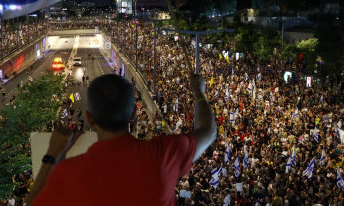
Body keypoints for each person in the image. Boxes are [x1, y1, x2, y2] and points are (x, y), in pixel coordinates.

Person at [28, 73, 216, 205]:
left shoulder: (67, 172)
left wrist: (53, 153)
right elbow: (208, 131)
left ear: (89, 117)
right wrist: (199, 92)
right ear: (133, 113)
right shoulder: (163, 154)